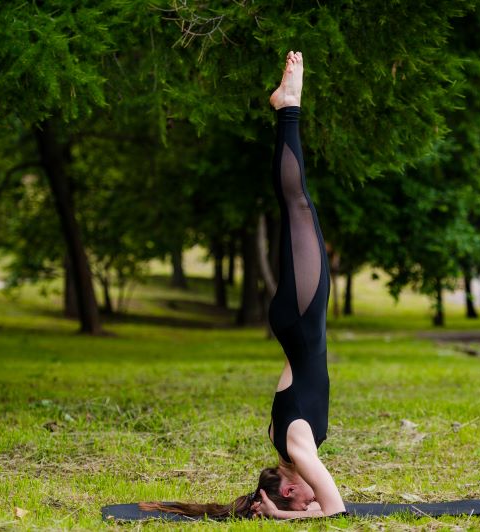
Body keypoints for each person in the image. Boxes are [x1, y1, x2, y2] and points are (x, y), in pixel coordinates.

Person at [139, 51, 346, 520]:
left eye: (302, 496)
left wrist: (280, 516)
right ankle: (287, 107)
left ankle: (287, 107)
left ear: (290, 490)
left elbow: (334, 512)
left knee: (297, 205)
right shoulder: (280, 439)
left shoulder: (296, 447)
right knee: (298, 208)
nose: (312, 492)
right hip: (295, 325)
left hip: (300, 318)